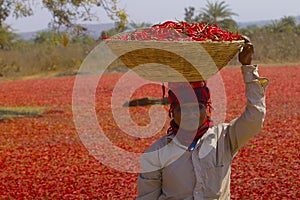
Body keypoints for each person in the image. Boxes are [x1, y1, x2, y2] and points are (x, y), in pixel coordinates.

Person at [136, 41, 269, 199]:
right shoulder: (156, 154)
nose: (190, 114)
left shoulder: (224, 138)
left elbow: (255, 117)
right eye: (183, 108)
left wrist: (248, 68)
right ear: (172, 112)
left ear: (207, 109)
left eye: (197, 107)